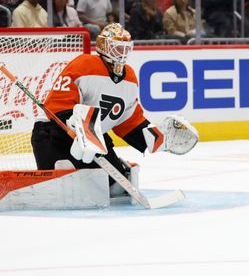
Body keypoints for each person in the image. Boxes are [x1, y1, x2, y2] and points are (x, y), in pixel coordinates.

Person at [30, 23, 198, 195]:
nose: (122, 54)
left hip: (95, 140)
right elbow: (58, 104)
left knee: (115, 187)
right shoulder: (83, 64)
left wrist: (156, 138)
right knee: (59, 186)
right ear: (103, 47)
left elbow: (128, 120)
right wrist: (78, 129)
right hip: (53, 134)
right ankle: (65, 169)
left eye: (125, 49)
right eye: (117, 48)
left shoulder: (130, 78)